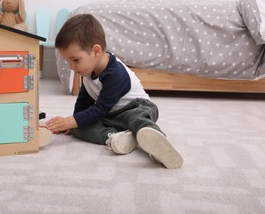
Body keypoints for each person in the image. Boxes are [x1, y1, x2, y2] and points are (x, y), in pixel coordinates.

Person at [45, 14, 183, 169]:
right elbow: (84, 102)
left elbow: (100, 108)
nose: (72, 66)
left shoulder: (115, 73)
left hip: (136, 108)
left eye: (75, 60)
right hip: (112, 115)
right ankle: (117, 138)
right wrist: (74, 123)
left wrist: (69, 121)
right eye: (67, 61)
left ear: (96, 51)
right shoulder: (87, 72)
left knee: (138, 119)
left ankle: (157, 143)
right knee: (79, 127)